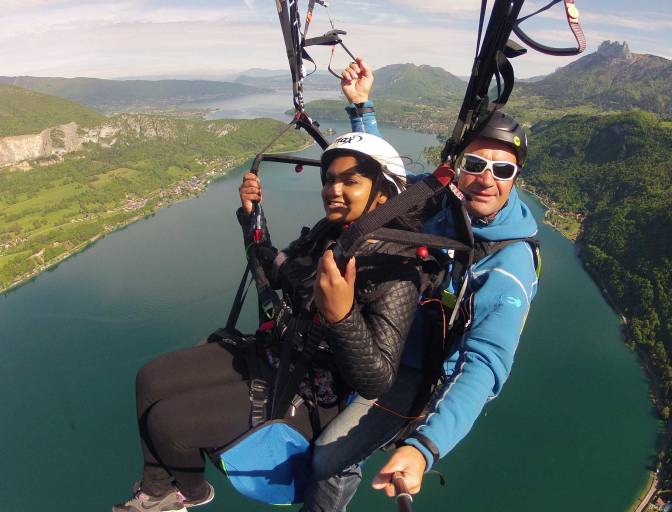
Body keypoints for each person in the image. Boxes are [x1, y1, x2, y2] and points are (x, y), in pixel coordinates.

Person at [112, 130, 434, 512]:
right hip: (280, 353)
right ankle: (158, 489)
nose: (333, 189)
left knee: (169, 422)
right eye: (329, 179)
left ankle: (189, 494)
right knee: (149, 379)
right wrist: (252, 217)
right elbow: (279, 268)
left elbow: (377, 379)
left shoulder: (398, 267)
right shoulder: (329, 233)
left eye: (350, 180)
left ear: (383, 193)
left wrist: (342, 316)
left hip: (316, 390)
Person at [336, 58, 540, 499]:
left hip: (416, 371)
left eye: (503, 170)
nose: (486, 179)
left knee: (327, 461)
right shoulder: (447, 201)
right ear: (459, 165)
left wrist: (424, 448)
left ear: (516, 178)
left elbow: (484, 365)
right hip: (382, 330)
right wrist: (361, 108)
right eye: (475, 164)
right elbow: (394, 190)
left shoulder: (509, 267)